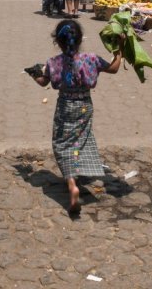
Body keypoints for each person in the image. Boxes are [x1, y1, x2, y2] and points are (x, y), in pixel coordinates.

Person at [30, 20, 123, 216]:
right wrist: (119, 50)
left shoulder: (53, 62)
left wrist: (33, 73)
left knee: (62, 143)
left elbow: (42, 82)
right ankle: (79, 172)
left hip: (65, 106)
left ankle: (72, 183)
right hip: (85, 107)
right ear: (80, 40)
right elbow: (114, 68)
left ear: (58, 42)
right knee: (81, 139)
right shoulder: (91, 59)